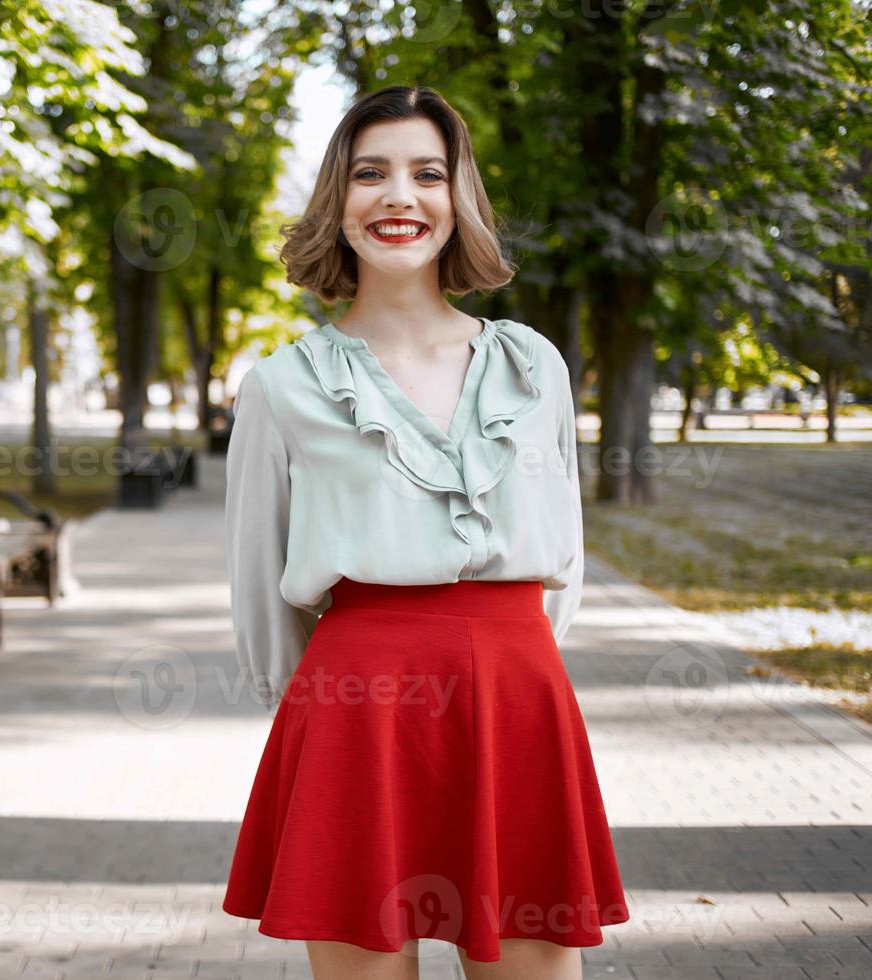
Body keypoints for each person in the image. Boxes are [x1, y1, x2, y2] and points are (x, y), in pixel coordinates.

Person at [220, 85, 630, 980]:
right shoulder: (281, 387)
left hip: (519, 704)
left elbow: (562, 551)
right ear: (339, 201)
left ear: (458, 199)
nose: (398, 196)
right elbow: (260, 589)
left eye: (426, 173)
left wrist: (508, 661)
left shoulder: (535, 365)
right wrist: (319, 734)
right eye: (371, 173)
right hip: (354, 719)